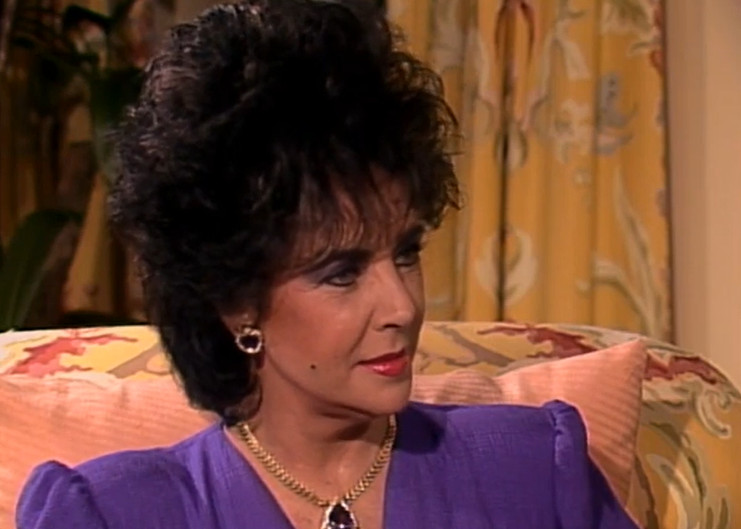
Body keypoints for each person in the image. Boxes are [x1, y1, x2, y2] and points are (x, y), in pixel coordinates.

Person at [16, 1, 639, 528]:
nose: (402, 306)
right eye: (342, 273)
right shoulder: (111, 513)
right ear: (235, 301)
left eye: (406, 252)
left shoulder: (533, 471)